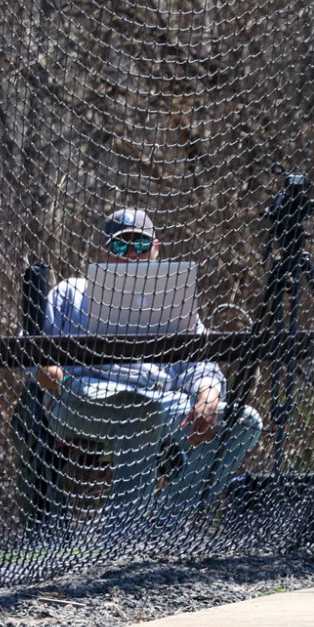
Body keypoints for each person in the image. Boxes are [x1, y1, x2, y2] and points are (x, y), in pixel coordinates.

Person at [35, 208, 264, 538]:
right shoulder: (71, 292)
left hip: (163, 398)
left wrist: (208, 398)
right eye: (120, 246)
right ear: (103, 250)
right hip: (81, 397)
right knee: (141, 411)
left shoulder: (170, 299)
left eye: (140, 246)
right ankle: (120, 538)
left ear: (156, 249)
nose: (131, 255)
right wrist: (62, 380)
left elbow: (201, 365)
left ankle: (161, 527)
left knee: (244, 422)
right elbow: (36, 358)